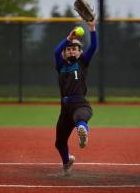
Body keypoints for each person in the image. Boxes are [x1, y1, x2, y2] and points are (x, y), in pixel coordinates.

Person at [54, 18, 97, 176]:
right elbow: (55, 52)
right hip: (65, 109)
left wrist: (92, 28)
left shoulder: (82, 63)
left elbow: (93, 47)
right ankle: (67, 162)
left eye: (75, 49)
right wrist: (68, 39)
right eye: (69, 49)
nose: (72, 50)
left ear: (80, 52)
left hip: (80, 104)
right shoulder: (61, 66)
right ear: (64, 52)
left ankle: (83, 133)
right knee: (59, 143)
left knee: (81, 118)